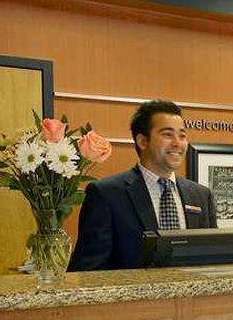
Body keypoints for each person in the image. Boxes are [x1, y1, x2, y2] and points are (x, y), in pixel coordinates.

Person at [69, 99, 217, 271]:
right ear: (142, 141)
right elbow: (88, 271)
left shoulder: (201, 196)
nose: (178, 143)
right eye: (168, 134)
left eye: (182, 135)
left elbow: (212, 262)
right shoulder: (106, 194)